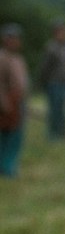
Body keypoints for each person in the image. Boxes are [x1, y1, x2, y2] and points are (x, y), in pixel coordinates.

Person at [0, 24, 29, 178]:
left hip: (18, 101)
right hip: (7, 103)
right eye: (11, 38)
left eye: (17, 38)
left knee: (16, 136)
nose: (15, 41)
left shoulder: (18, 59)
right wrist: (4, 103)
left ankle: (10, 165)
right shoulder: (2, 58)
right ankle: (6, 167)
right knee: (6, 136)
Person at [39, 19, 65, 140]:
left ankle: (61, 132)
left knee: (63, 110)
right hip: (54, 83)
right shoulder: (51, 47)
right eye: (61, 31)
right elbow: (45, 68)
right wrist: (45, 82)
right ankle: (53, 135)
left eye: (64, 31)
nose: (63, 33)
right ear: (55, 32)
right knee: (54, 110)